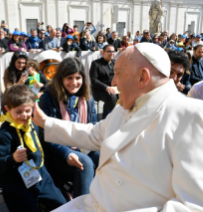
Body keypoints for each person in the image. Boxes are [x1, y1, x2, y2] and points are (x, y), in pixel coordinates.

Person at [33, 43, 203, 212]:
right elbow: (94, 134)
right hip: (91, 205)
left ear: (142, 77)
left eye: (118, 74)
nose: (113, 82)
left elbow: (191, 206)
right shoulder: (126, 105)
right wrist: (45, 122)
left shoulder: (191, 116)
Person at [0, 85, 66, 212]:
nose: (24, 115)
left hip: (39, 176)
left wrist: (67, 153)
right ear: (8, 109)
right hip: (16, 182)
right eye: (18, 112)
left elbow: (46, 145)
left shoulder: (34, 125)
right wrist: (12, 158)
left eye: (27, 110)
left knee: (62, 205)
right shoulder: (5, 133)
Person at [39, 57, 99, 198]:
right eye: (69, 78)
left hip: (83, 146)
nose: (74, 83)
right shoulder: (48, 98)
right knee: (85, 163)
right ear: (61, 78)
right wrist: (67, 154)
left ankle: (102, 202)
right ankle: (80, 207)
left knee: (105, 157)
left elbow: (94, 128)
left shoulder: (87, 98)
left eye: (78, 78)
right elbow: (45, 136)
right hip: (57, 152)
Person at [89, 45, 118, 119]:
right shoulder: (96, 63)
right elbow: (93, 80)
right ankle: (107, 119)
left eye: (113, 51)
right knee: (112, 97)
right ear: (103, 52)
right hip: (100, 90)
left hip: (115, 89)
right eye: (109, 51)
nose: (111, 53)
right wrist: (107, 87)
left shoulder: (116, 63)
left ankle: (121, 117)